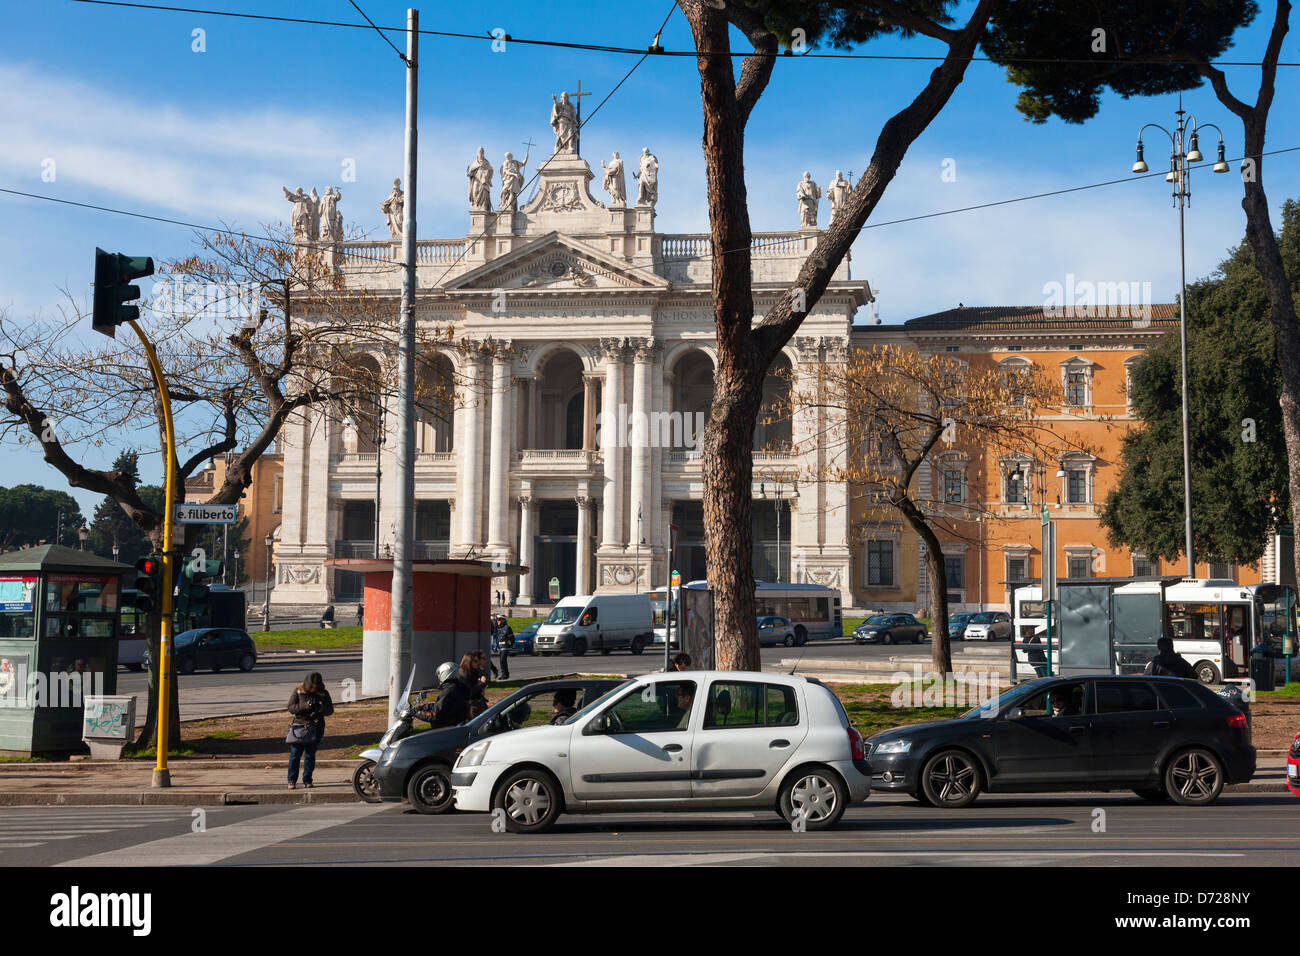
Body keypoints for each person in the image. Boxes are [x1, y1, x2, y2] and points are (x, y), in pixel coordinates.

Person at [286, 672, 334, 790]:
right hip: (300, 728)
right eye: (311, 687)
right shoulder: (298, 690)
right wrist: (304, 706)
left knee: (310, 755)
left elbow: (330, 710)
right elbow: (291, 708)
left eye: (315, 687)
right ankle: (292, 780)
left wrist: (321, 708)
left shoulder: (323, 693)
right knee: (295, 755)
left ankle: (307, 780)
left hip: (316, 727)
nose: (313, 689)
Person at [463, 650, 491, 718]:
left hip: (478, 702)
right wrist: (481, 683)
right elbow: (470, 692)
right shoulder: (466, 674)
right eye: (475, 661)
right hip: (472, 705)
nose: (477, 663)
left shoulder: (477, 671)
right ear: (469, 662)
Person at [492, 614, 514, 680]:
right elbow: (495, 638)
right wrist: (495, 646)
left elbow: (512, 638)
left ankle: (504, 675)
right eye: (497, 620)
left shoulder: (507, 628)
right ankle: (505, 674)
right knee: (502, 661)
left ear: (503, 620)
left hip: (505, 647)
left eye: (499, 620)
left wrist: (510, 645)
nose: (497, 621)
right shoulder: (497, 628)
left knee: (502, 660)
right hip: (500, 648)